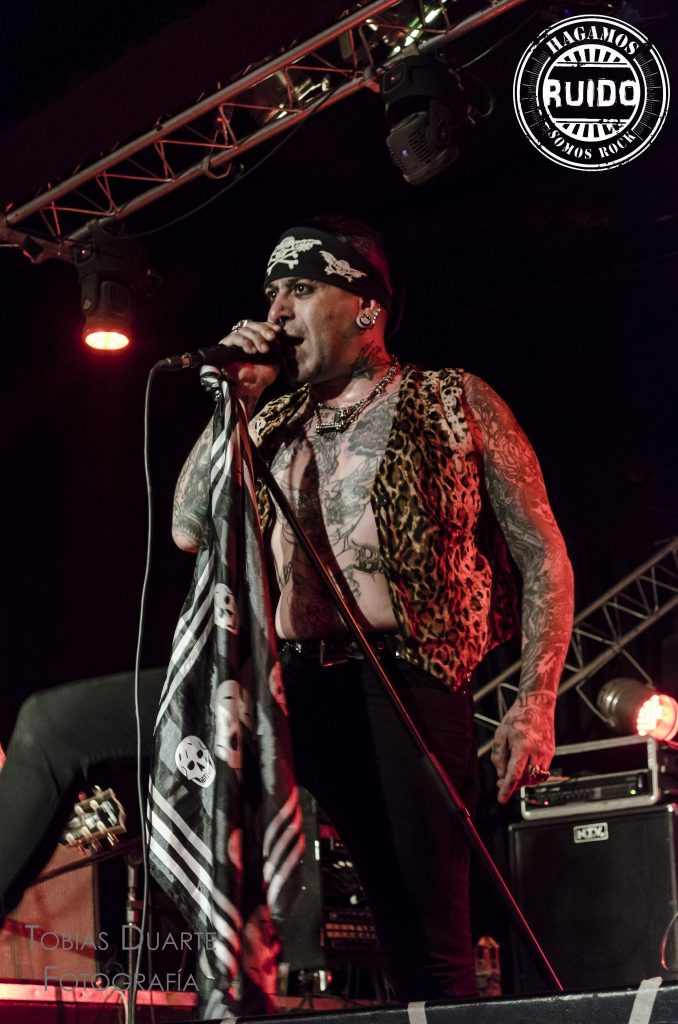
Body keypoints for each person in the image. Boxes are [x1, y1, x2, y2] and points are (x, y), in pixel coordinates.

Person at [171, 217, 575, 1000]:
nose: (276, 311)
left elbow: (542, 555)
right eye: (271, 292)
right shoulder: (271, 419)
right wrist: (235, 407)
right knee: (239, 914)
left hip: (405, 685)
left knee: (425, 946)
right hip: (285, 688)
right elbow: (190, 528)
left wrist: (535, 703)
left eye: (300, 288)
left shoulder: (452, 398)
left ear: (365, 307)